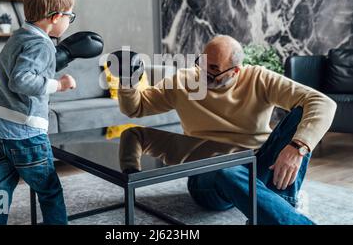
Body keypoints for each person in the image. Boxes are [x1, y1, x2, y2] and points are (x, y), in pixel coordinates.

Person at [117, 35, 337, 225]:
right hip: (208, 176)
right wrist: (127, 80)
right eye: (201, 64)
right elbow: (136, 108)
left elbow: (323, 103)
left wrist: (298, 147)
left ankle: (273, 210)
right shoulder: (183, 81)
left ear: (235, 71)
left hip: (257, 163)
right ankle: (281, 212)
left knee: (302, 112)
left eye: (213, 70)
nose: (203, 74)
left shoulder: (258, 78)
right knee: (225, 167)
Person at [0, 0, 77, 225]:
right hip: (26, 138)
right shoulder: (42, 45)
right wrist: (59, 84)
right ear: (56, 17)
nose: (69, 21)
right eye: (70, 16)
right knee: (49, 192)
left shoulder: (17, 38)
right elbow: (21, 81)